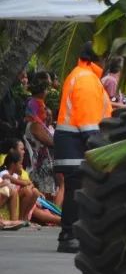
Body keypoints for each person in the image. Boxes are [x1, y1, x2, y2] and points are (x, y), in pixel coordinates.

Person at [54, 41, 112, 252]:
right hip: (76, 145)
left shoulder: (81, 75)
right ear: (98, 59)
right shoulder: (87, 79)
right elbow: (88, 122)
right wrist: (100, 146)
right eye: (105, 57)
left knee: (78, 189)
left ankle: (74, 233)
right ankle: (69, 235)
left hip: (72, 143)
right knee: (76, 190)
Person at [23, 71, 59, 202]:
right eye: (43, 109)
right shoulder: (34, 124)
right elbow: (48, 141)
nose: (45, 112)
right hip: (38, 164)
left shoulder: (36, 121)